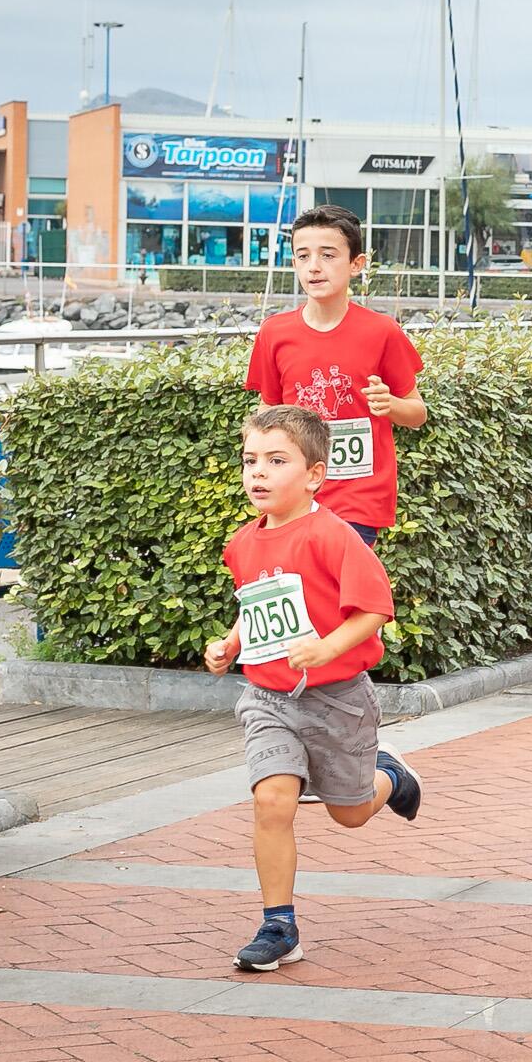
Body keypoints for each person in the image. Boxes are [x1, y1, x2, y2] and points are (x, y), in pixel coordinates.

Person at [204, 406, 423, 972]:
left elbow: (375, 609)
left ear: (314, 475)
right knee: (271, 800)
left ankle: (390, 775)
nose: (260, 473)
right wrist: (231, 644)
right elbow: (255, 605)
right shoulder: (242, 544)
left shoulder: (334, 536)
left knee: (348, 815)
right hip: (268, 698)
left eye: (277, 461)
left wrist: (327, 648)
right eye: (251, 461)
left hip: (338, 697)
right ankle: (278, 925)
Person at [246, 205, 427, 548]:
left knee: (339, 593)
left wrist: (390, 405)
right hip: (292, 492)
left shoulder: (382, 332)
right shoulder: (274, 333)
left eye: (328, 255)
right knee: (304, 595)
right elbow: (266, 413)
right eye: (303, 256)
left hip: (358, 499)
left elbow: (418, 413)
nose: (314, 266)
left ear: (356, 264)